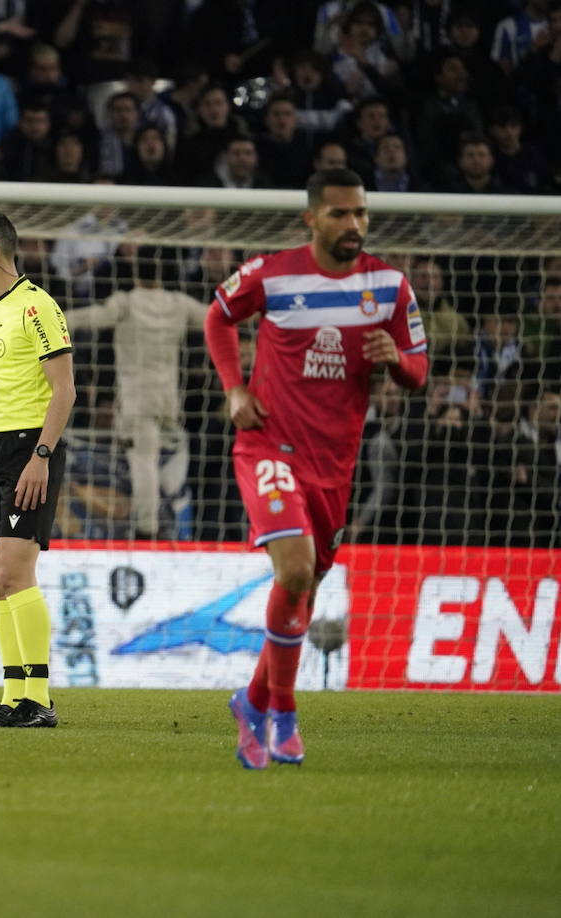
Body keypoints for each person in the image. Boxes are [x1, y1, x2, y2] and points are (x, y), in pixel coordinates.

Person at [204, 168, 429, 769]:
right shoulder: (270, 273)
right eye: (339, 214)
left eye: (360, 213)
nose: (352, 224)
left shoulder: (390, 285)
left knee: (300, 590)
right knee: (297, 571)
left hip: (336, 467)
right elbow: (218, 317)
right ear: (311, 218)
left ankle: (251, 702)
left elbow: (419, 370)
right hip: (267, 445)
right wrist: (233, 389)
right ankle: (284, 714)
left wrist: (397, 364)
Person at [0, 208, 75, 727]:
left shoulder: (37, 307)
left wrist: (41, 457)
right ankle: (11, 696)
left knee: (15, 572)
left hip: (29, 447)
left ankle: (39, 699)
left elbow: (65, 391)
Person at [66, 247, 207, 539]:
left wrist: (48, 318)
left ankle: (148, 529)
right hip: (169, 400)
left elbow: (92, 317)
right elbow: (215, 317)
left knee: (143, 461)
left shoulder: (126, 303)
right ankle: (172, 518)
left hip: (137, 399)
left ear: (134, 272)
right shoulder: (179, 304)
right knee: (169, 458)